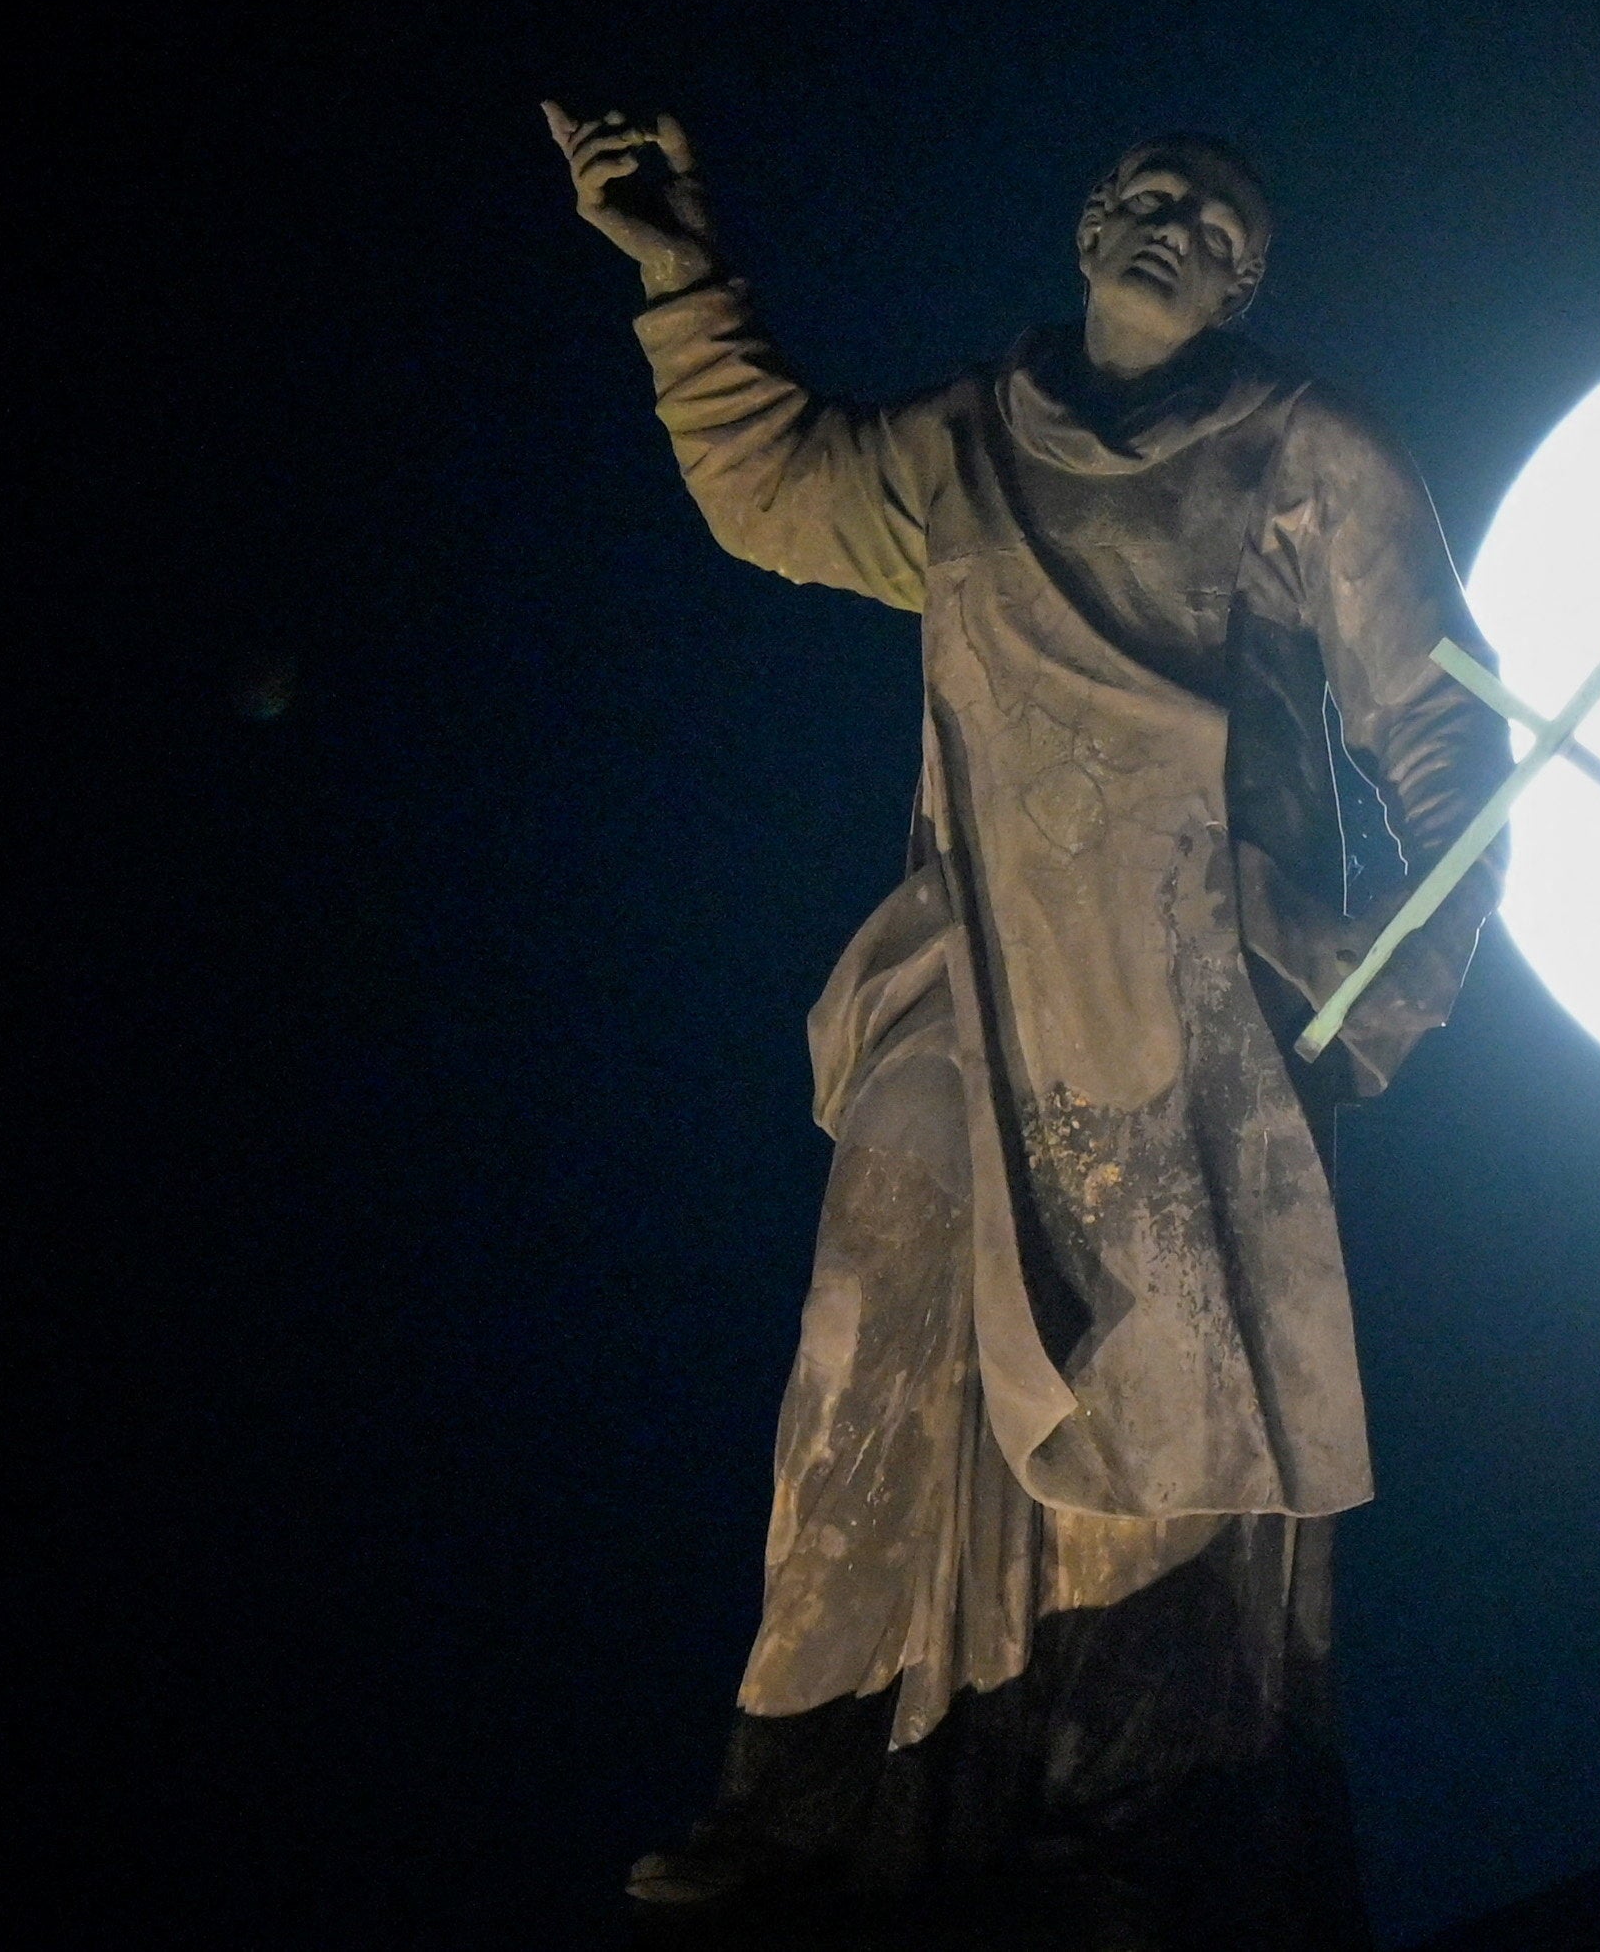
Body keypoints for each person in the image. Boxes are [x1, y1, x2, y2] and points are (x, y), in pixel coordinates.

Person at [542, 103, 1509, 1943]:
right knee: (866, 1366)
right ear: (1084, 227)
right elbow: (777, 488)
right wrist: (679, 274)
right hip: (970, 983)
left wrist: (1381, 979)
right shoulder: (970, 444)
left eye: (1212, 219)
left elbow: (1451, 732)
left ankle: (1129, 1817)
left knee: (1156, 1403)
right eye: (1144, 197)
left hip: (1183, 1003)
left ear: (1246, 278)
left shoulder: (1310, 450)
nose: (1171, 226)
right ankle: (807, 1797)